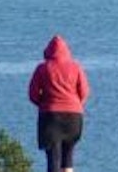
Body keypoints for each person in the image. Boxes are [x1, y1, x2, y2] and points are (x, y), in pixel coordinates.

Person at [28, 34, 90, 172]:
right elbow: (85, 92)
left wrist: (43, 104)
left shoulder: (42, 68)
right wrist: (76, 104)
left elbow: (32, 94)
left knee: (53, 159)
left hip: (51, 117)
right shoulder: (76, 67)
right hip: (74, 118)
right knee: (68, 158)